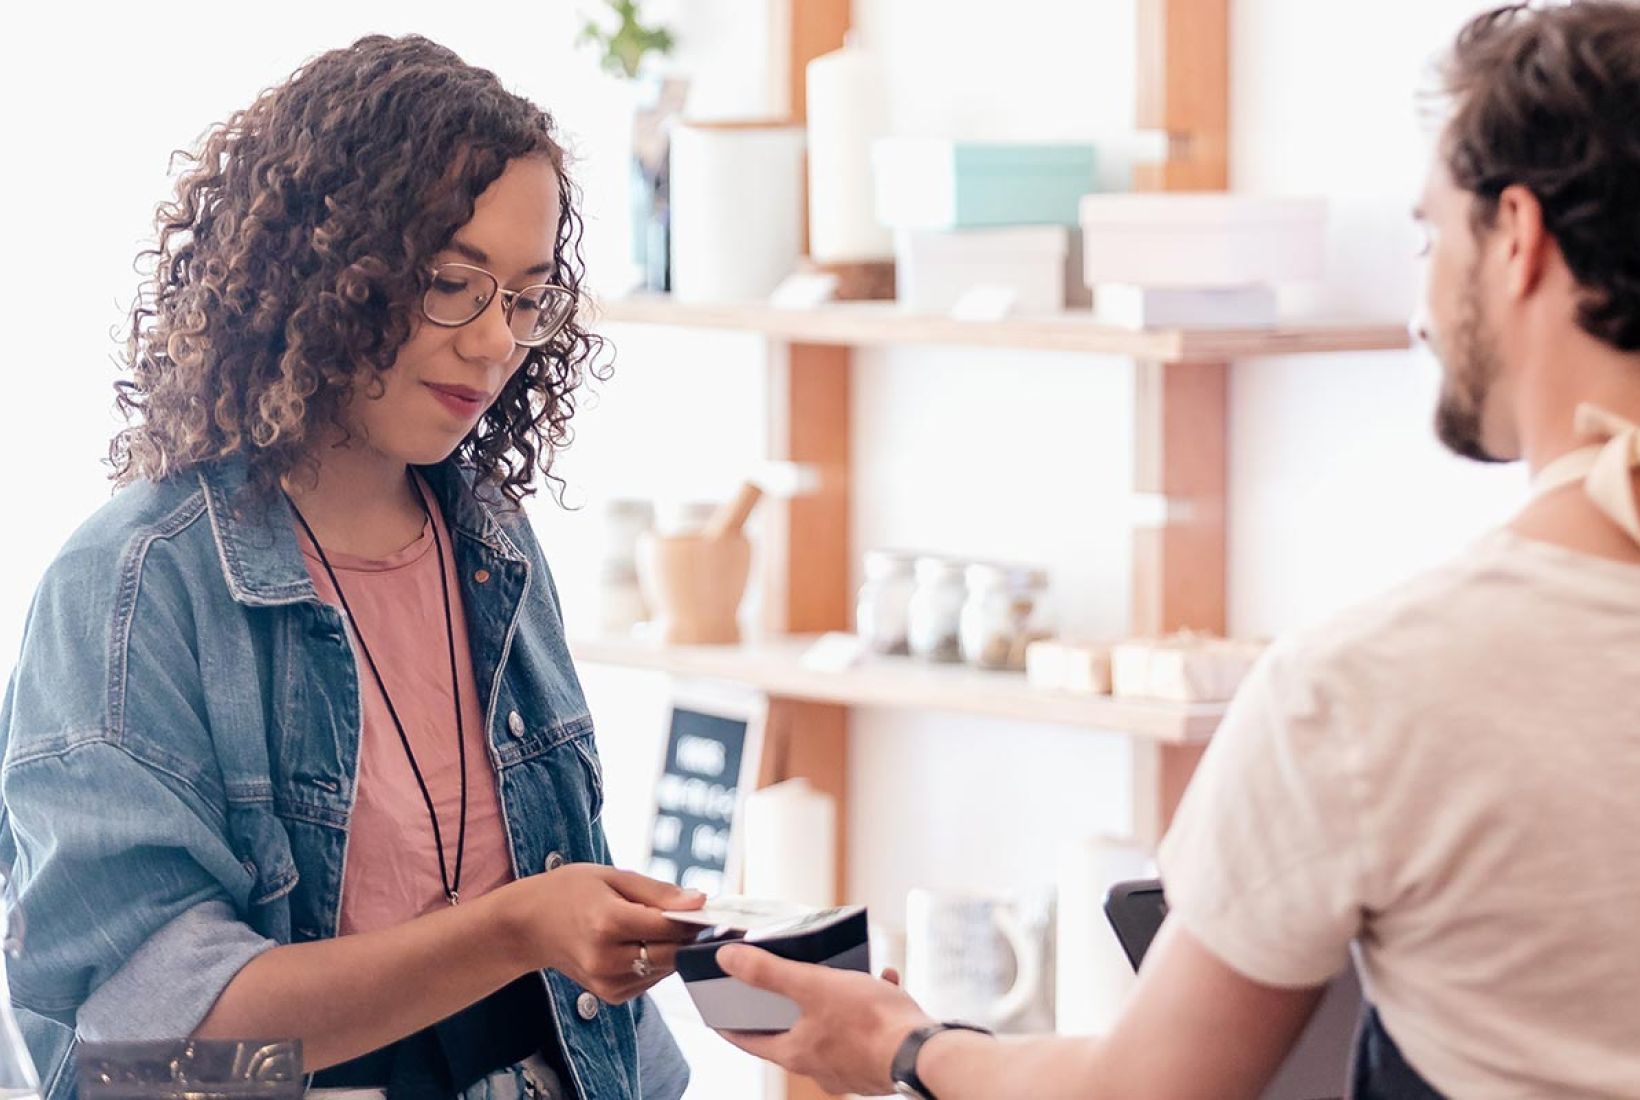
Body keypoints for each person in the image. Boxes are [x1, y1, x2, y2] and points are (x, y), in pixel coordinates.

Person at [710, 3, 1640, 1097]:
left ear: (1518, 237)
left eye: (1430, 235)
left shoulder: (1372, 688)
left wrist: (900, 1045)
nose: (1421, 305)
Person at [0, 35, 703, 1100]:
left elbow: (576, 997)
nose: (492, 344)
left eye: (524, 295)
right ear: (322, 268)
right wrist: (513, 929)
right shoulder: (137, 584)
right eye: (452, 282)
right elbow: (157, 1053)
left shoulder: (492, 545)